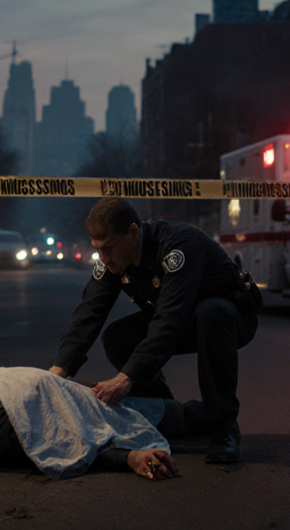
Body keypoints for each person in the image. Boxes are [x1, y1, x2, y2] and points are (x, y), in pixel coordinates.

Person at [49, 198, 259, 464]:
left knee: (211, 312)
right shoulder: (115, 258)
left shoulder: (177, 245)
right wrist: (59, 370)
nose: (103, 257)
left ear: (133, 232)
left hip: (229, 317)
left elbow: (170, 319)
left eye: (108, 248)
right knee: (116, 337)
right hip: (181, 318)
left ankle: (223, 424)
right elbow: (90, 311)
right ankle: (168, 414)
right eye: (98, 249)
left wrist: (126, 378)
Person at [0, 366, 201, 480]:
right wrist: (131, 458)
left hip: (77, 392)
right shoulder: (5, 438)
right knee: (177, 415)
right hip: (91, 409)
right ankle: (213, 417)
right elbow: (68, 443)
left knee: (148, 396)